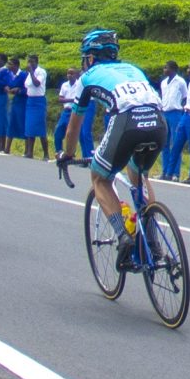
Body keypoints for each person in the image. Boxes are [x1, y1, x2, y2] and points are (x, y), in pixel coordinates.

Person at [71, 29, 167, 248]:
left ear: (91, 58)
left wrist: (67, 154)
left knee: (100, 178)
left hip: (127, 121)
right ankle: (152, 240)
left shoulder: (87, 77)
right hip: (158, 122)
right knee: (139, 174)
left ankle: (124, 237)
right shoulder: (134, 69)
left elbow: (73, 127)